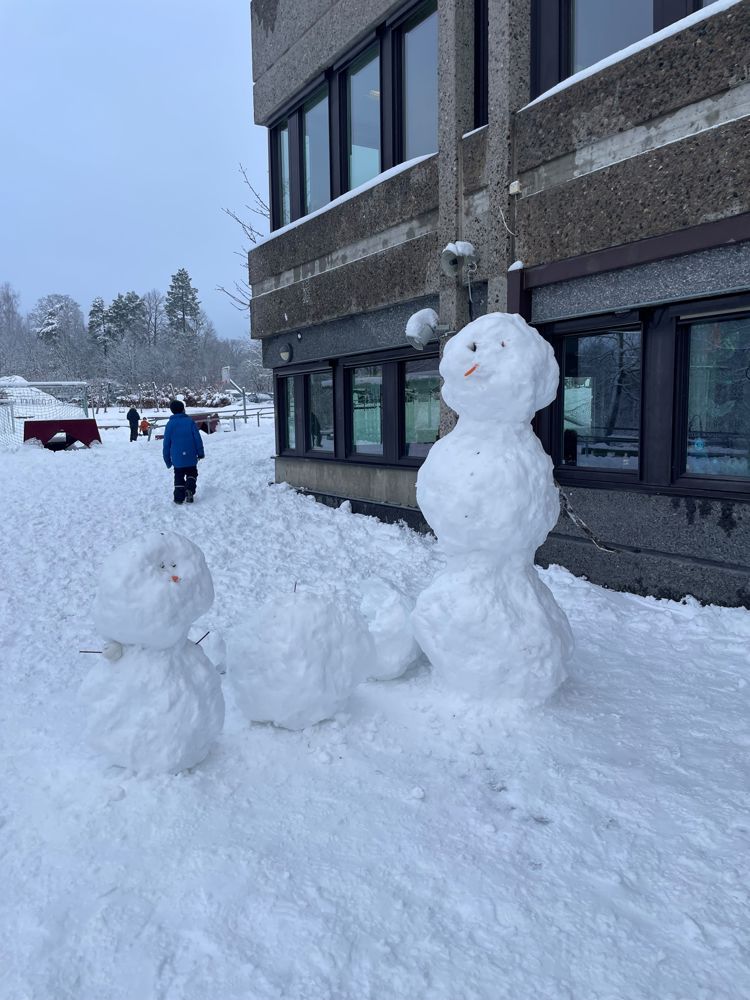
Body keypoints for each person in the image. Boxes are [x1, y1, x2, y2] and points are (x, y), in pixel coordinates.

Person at [162, 399, 204, 504]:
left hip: (177, 458)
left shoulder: (170, 424)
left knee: (179, 476)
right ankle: (189, 489)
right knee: (192, 473)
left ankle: (178, 497)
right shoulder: (190, 421)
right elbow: (197, 438)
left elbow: (166, 444)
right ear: (183, 409)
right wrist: (200, 453)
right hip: (191, 455)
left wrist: (167, 460)